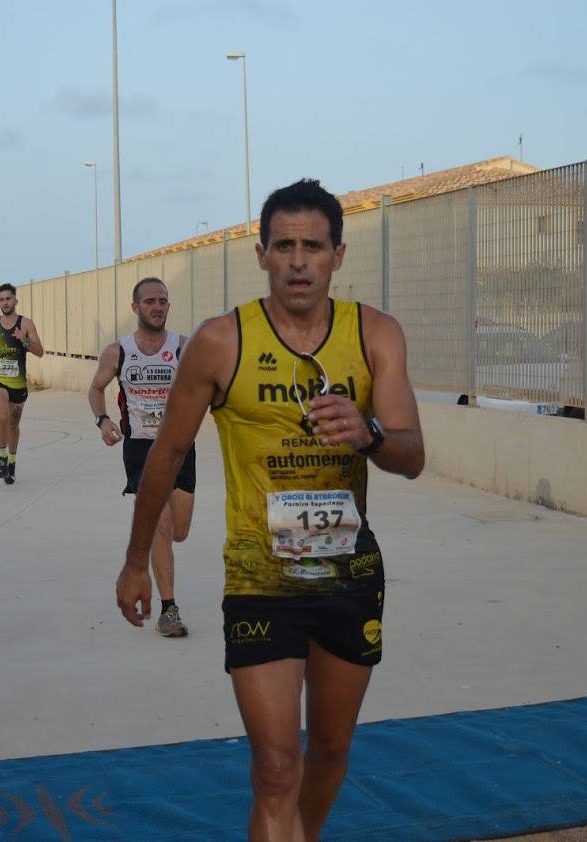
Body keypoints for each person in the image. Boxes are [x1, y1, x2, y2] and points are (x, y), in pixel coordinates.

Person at [115, 179, 425, 841]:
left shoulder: (376, 335)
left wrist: (369, 434)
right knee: (277, 765)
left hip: (347, 574)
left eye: (313, 246)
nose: (299, 261)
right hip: (262, 580)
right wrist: (135, 561)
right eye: (284, 246)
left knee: (332, 750)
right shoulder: (221, 341)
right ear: (261, 254)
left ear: (338, 255)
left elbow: (412, 453)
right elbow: (165, 456)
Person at [88, 277, 195, 638]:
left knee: (179, 530)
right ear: (135, 308)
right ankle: (169, 610)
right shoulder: (118, 351)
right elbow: (96, 388)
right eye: (149, 301)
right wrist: (102, 419)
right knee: (161, 527)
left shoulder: (183, 346)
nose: (157, 306)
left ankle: (162, 562)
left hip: (180, 448)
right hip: (140, 451)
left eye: (163, 300)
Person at [0, 283, 43, 485]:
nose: (5, 302)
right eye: (1, 299)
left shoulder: (26, 324)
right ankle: (2, 456)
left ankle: (12, 463)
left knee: (14, 424)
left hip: (18, 383)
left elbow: (40, 351)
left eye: (8, 299)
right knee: (3, 416)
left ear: (15, 300)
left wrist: (24, 340)